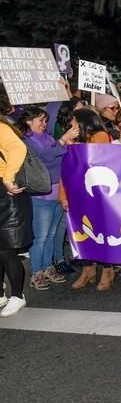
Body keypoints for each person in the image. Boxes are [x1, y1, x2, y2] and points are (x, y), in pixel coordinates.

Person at [18, 107, 79, 290]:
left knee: (51, 234)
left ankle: (47, 268)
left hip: (57, 191)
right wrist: (62, 141)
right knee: (41, 236)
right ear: (29, 121)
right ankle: (36, 272)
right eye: (40, 120)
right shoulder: (27, 141)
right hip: (41, 195)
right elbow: (45, 158)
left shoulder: (47, 138)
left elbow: (58, 157)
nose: (44, 124)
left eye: (45, 120)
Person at [60, 109, 115, 291]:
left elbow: (94, 161)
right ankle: (88, 269)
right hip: (77, 193)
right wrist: (63, 195)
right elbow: (66, 172)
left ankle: (107, 270)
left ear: (84, 122)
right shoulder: (72, 141)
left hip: (97, 194)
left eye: (75, 121)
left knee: (101, 230)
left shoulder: (100, 136)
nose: (71, 124)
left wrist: (72, 145)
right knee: (82, 231)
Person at [0, 116, 31, 316]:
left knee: (6, 249)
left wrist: (8, 178)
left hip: (6, 192)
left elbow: (19, 149)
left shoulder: (1, 128)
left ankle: (18, 295)